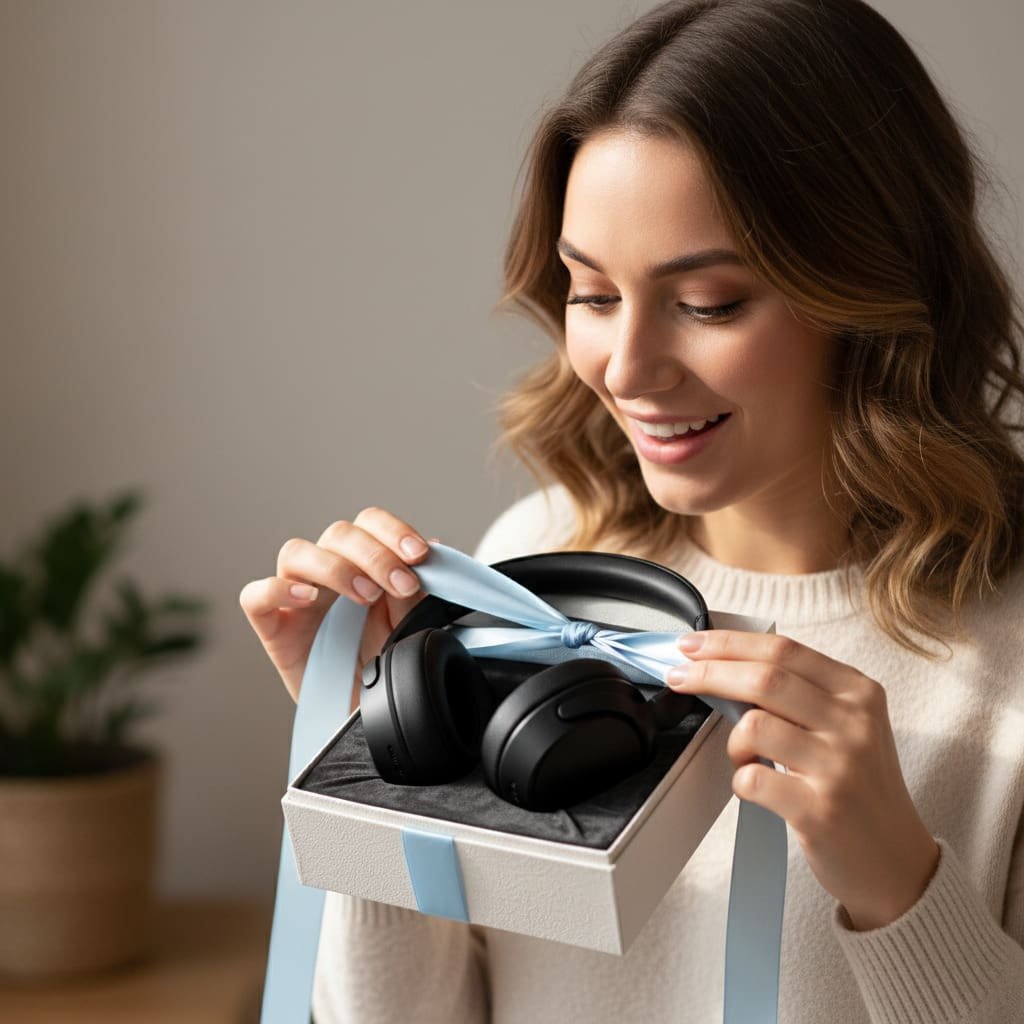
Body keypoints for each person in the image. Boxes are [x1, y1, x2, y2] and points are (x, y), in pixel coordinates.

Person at [239, 0, 1024, 1020]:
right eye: (592, 293)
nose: (626, 368)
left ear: (867, 290)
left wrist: (899, 889)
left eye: (707, 303)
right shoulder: (533, 564)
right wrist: (374, 765)